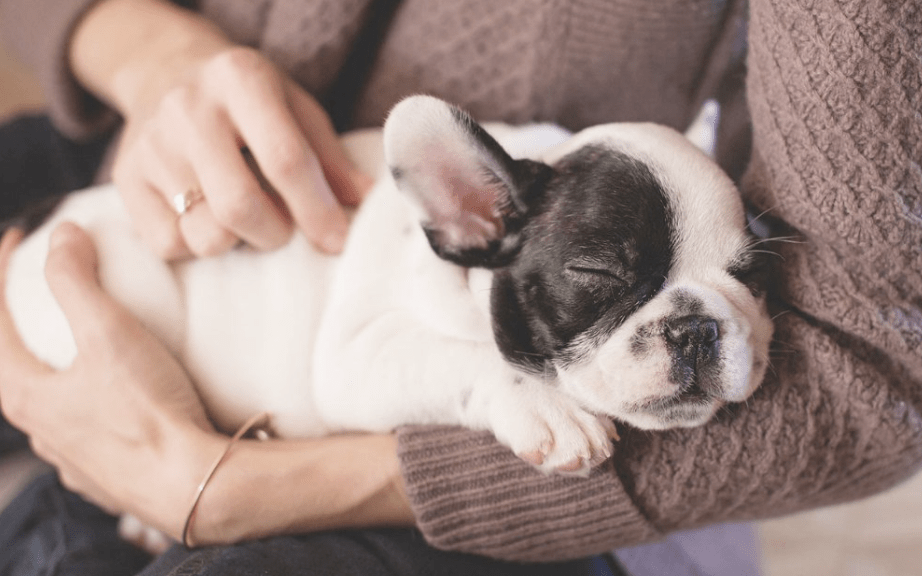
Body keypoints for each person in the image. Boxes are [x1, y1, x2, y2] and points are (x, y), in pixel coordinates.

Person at [0, 0, 920, 574]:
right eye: (603, 283)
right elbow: (353, 376)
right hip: (133, 236)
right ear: (469, 220)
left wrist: (220, 487)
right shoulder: (470, 229)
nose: (692, 328)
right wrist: (143, 45)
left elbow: (873, 351)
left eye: (738, 278)